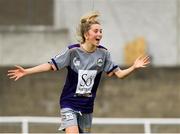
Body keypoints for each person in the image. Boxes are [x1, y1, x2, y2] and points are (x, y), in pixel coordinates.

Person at [7, 11, 150, 134]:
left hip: (87, 106)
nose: (99, 34)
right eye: (96, 31)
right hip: (69, 103)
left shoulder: (104, 54)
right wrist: (26, 71)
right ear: (86, 35)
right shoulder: (72, 51)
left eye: (101, 31)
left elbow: (119, 74)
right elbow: (50, 65)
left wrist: (133, 67)